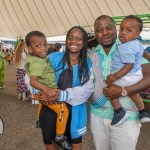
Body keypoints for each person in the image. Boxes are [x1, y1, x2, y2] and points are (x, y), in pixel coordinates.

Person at [88, 15, 150, 150]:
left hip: (128, 118)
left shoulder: (130, 46)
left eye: (109, 28)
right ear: (95, 33)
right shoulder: (91, 54)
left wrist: (124, 91)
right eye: (99, 30)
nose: (104, 33)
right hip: (98, 115)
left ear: (115, 29)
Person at [37, 26, 94, 150]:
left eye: (78, 38)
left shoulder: (88, 64)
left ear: (84, 42)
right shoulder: (53, 58)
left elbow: (88, 89)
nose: (73, 41)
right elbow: (35, 76)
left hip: (75, 111)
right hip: (50, 108)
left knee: (76, 145)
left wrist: (62, 95)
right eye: (70, 38)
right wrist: (38, 92)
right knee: (50, 144)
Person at [24, 31, 71, 150]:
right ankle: (59, 136)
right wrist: (48, 89)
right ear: (29, 48)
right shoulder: (36, 62)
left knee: (42, 104)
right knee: (63, 110)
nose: (43, 48)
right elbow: (33, 81)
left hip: (42, 94)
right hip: (46, 92)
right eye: (38, 46)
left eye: (45, 44)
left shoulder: (38, 58)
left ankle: (40, 120)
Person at [104, 15, 150, 126]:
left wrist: (115, 76)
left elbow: (129, 65)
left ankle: (118, 111)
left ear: (137, 33)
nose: (123, 32)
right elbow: (145, 53)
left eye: (128, 30)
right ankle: (143, 112)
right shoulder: (138, 44)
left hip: (126, 75)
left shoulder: (126, 47)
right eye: (121, 29)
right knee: (134, 94)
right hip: (136, 75)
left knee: (110, 90)